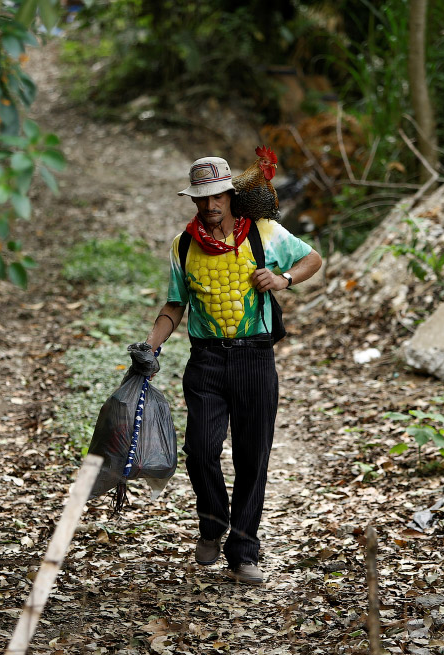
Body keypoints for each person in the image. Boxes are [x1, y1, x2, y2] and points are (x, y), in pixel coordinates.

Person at [131, 156, 322, 585]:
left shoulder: (265, 234)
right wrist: (150, 346)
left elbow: (313, 259)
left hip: (255, 357)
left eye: (216, 195)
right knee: (200, 450)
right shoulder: (184, 244)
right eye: (201, 197)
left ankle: (243, 552)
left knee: (253, 457)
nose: (209, 204)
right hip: (207, 360)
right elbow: (174, 305)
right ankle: (213, 523)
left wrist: (283, 279)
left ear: (231, 196)